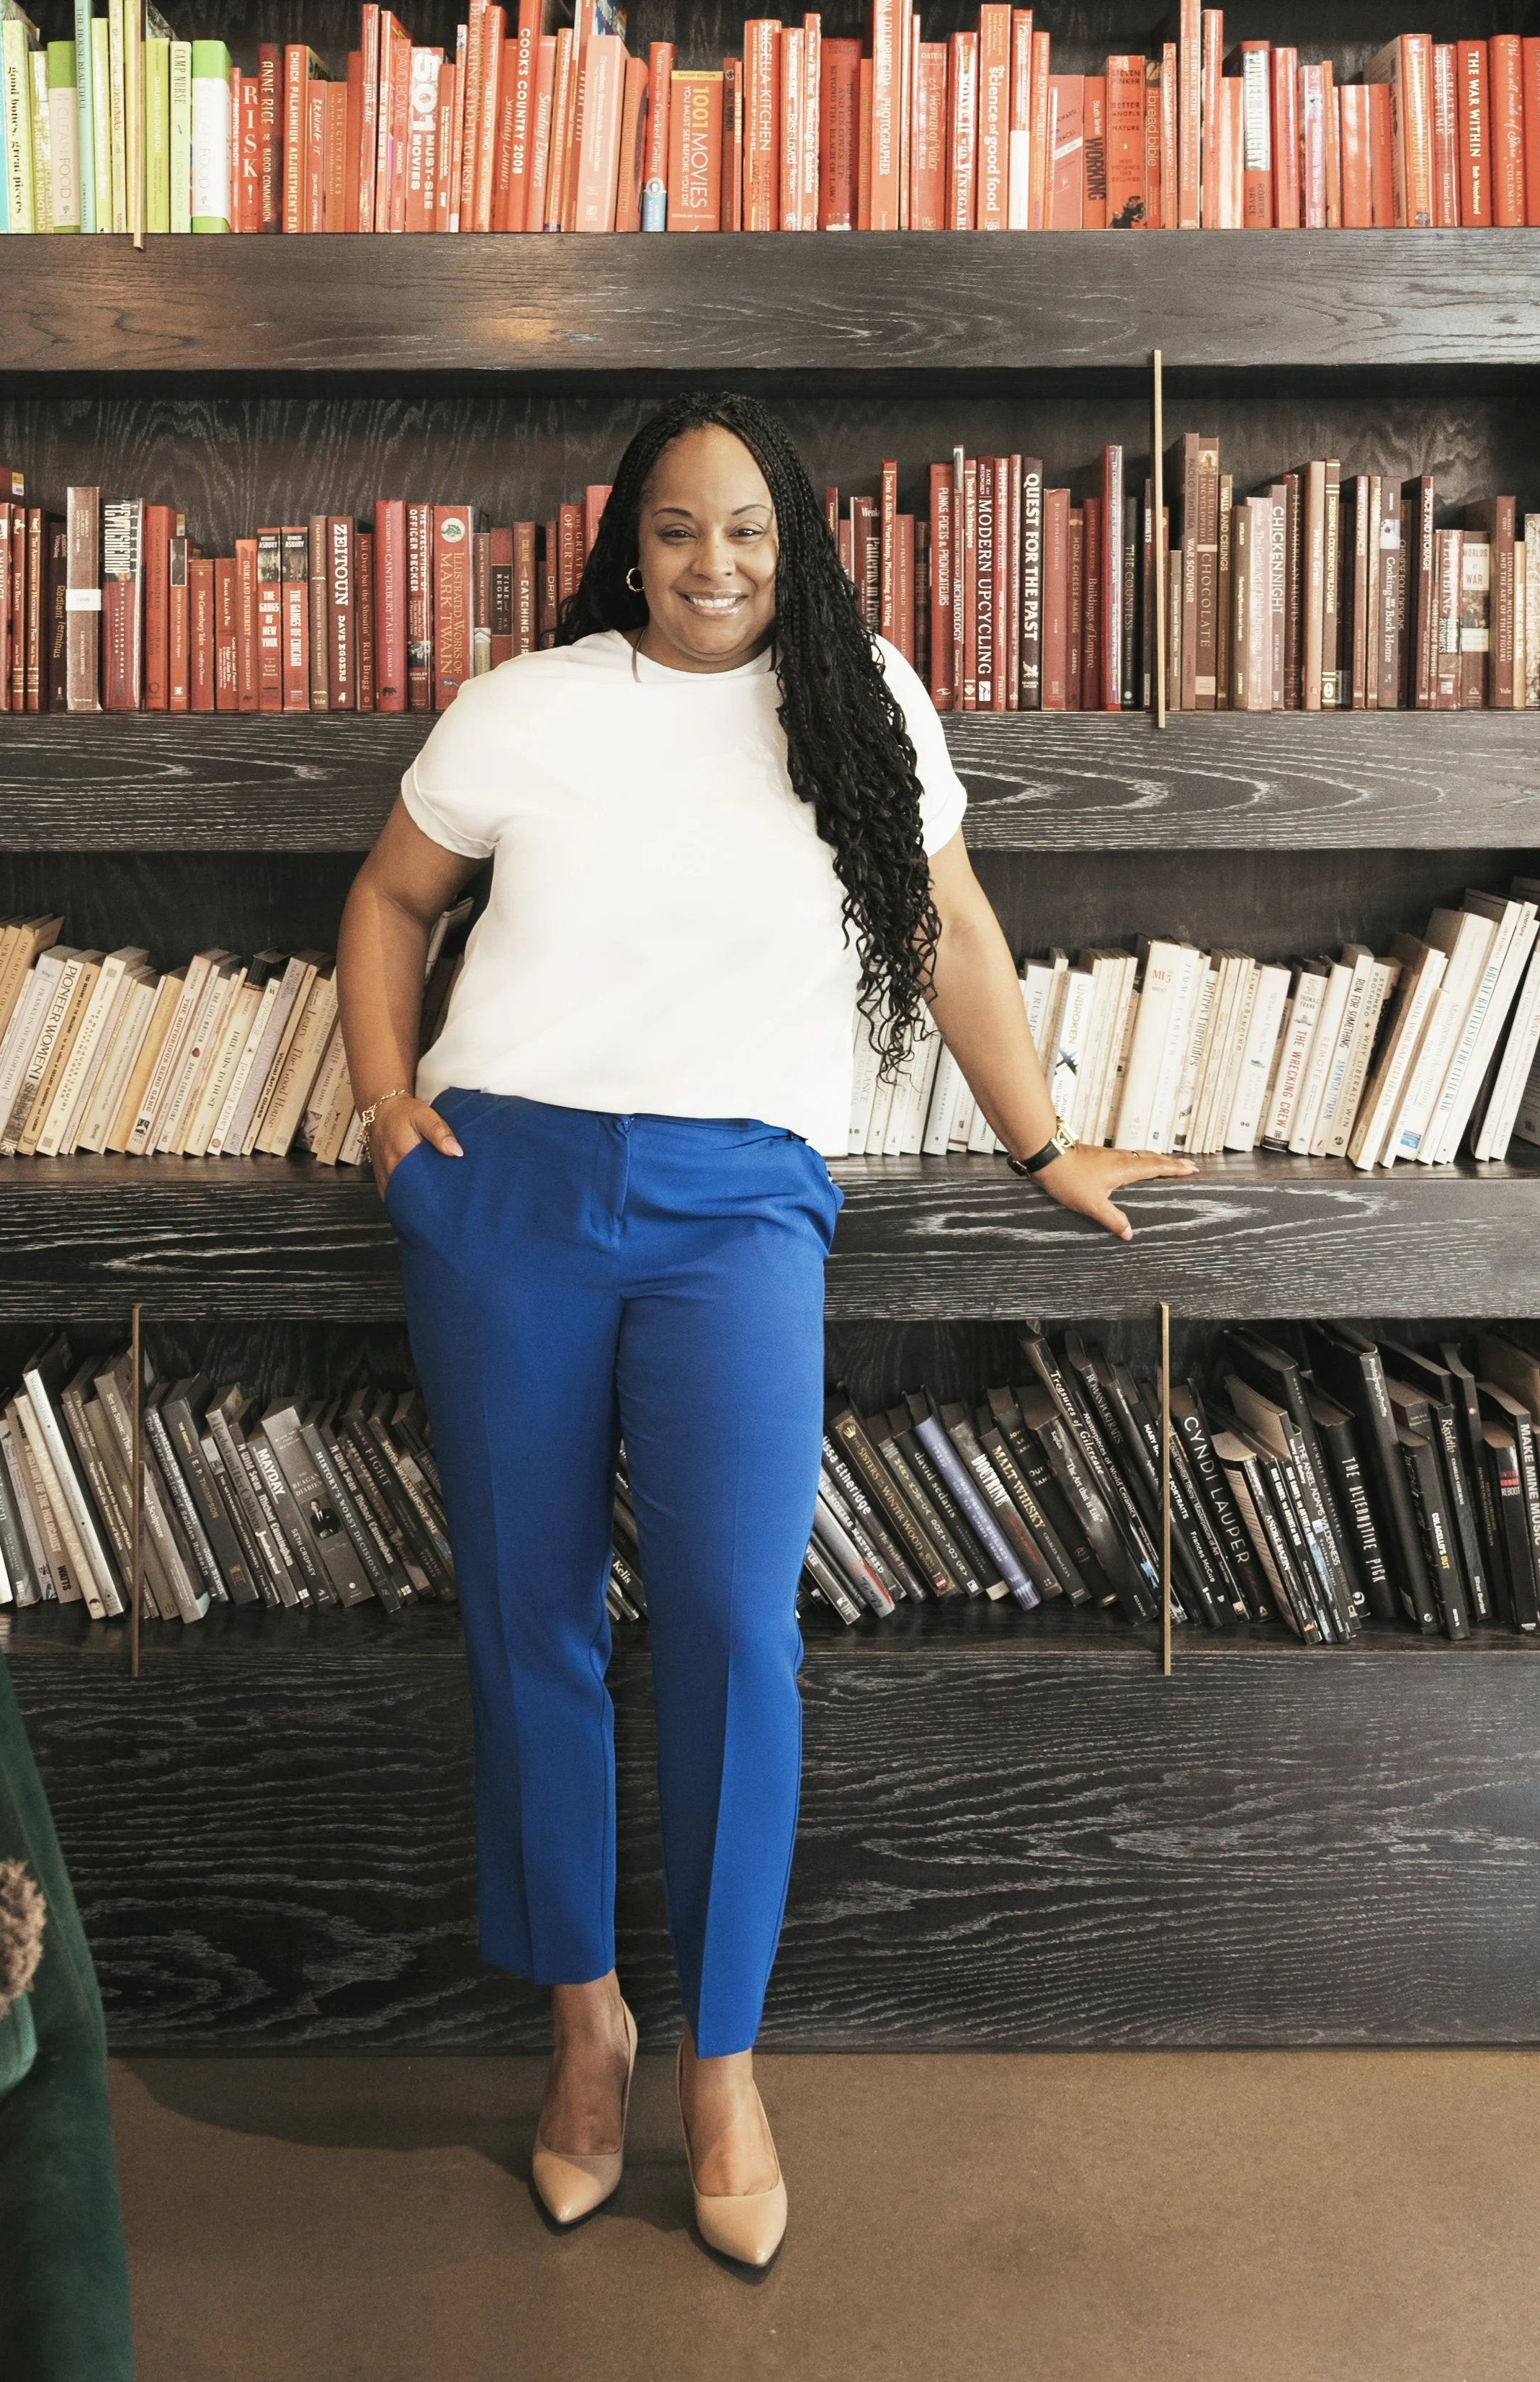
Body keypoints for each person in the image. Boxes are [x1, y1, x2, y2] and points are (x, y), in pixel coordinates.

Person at [334, 393, 1193, 2269]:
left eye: (743, 529)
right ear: (621, 543)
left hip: (740, 1202)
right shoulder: (530, 708)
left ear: (791, 539)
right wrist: (392, 1106)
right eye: (671, 530)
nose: (708, 563)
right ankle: (582, 2038)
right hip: (507, 1199)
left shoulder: (862, 702)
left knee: (733, 1626)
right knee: (528, 1626)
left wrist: (1039, 1142)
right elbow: (394, 899)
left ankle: (720, 2065)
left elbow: (951, 924)